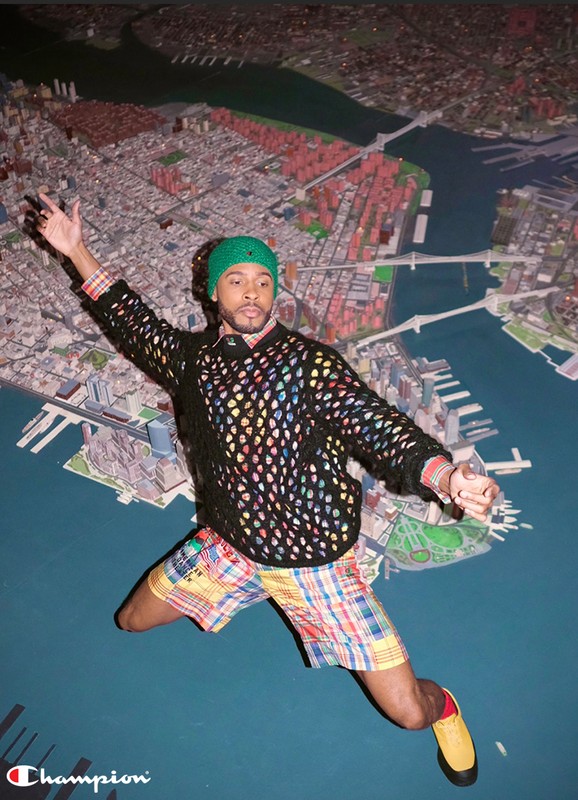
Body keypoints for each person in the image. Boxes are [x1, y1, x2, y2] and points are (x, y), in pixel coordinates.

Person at [36, 190, 500, 788]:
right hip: (229, 547)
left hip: (316, 564)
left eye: (263, 281)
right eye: (236, 280)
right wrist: (75, 250)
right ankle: (249, 587)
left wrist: (444, 476)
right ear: (213, 292)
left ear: (274, 291)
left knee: (410, 713)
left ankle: (447, 707)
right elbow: (133, 321)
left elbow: (378, 426)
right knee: (131, 620)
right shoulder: (193, 359)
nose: (252, 292)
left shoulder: (310, 364)